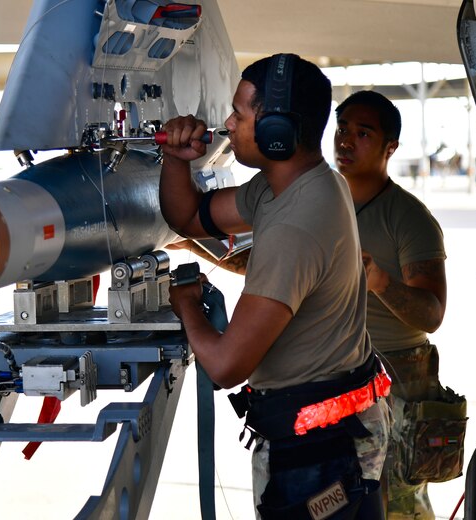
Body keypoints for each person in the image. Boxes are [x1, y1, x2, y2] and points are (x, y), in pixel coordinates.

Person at [160, 53, 391, 518]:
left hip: (320, 455)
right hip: (338, 433)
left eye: (240, 114)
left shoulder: (295, 225)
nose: (227, 123)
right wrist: (175, 158)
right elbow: (187, 216)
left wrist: (186, 306)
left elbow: (225, 366)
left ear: (276, 131)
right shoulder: (295, 185)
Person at [334, 90, 448, 520]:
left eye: (362, 133)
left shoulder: (408, 217)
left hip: (395, 379)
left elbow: (432, 313)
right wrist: (192, 242)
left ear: (390, 148)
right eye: (342, 129)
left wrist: (380, 281)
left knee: (398, 504)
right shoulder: (324, 203)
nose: (346, 141)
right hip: (336, 375)